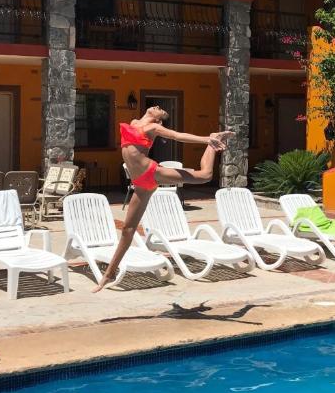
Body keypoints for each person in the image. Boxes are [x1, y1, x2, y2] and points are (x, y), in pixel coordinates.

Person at [92, 105, 232, 292]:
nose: (157, 106)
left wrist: (208, 139)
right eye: (156, 106)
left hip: (153, 172)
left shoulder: (153, 128)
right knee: (127, 229)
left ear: (158, 119)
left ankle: (211, 145)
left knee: (205, 175)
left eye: (160, 110)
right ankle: (108, 276)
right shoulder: (133, 123)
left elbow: (178, 136)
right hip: (140, 183)